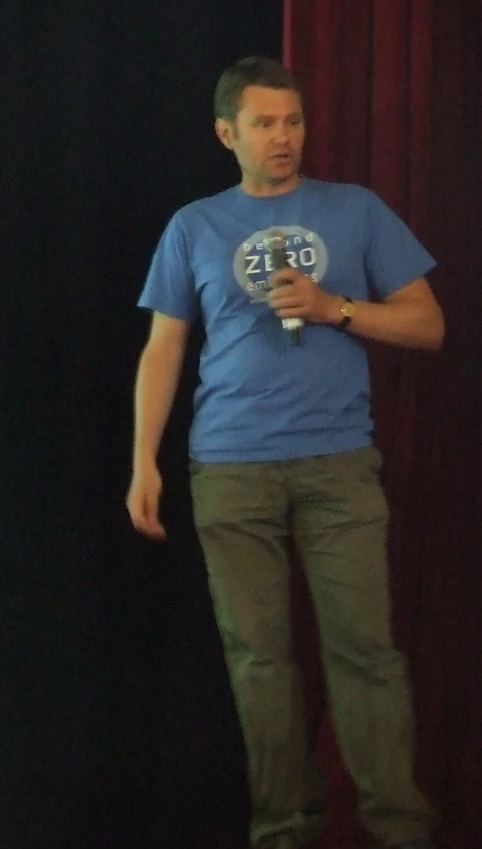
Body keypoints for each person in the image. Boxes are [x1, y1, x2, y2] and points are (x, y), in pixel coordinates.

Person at [126, 56, 444, 849]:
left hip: (338, 465)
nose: (284, 137)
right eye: (265, 123)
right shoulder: (194, 226)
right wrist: (143, 460)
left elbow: (426, 324)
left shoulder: (355, 210)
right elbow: (164, 348)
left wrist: (336, 307)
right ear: (227, 132)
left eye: (293, 121)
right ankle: (284, 831)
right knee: (258, 663)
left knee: (366, 653)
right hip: (230, 470)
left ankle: (401, 831)